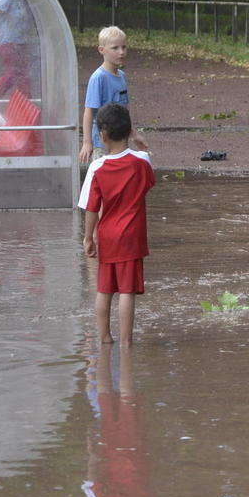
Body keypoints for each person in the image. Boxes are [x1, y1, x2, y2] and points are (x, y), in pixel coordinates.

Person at [78, 103, 155, 346]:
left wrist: (88, 237)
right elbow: (149, 181)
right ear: (129, 130)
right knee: (126, 292)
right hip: (132, 237)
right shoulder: (141, 161)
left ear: (102, 135)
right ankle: (126, 342)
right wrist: (142, 146)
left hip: (107, 236)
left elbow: (91, 208)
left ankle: (105, 339)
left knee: (104, 290)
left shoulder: (97, 167)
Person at [79, 26, 149, 164]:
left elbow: (124, 112)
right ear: (102, 50)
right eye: (115, 48)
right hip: (103, 144)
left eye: (124, 47)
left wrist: (133, 134)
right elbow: (89, 112)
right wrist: (87, 142)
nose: (121, 52)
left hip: (122, 142)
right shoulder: (98, 78)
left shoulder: (122, 76)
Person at [0, 0, 35, 98]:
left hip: (20, 43)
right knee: (12, 72)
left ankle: (26, 103)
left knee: (24, 75)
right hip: (9, 42)